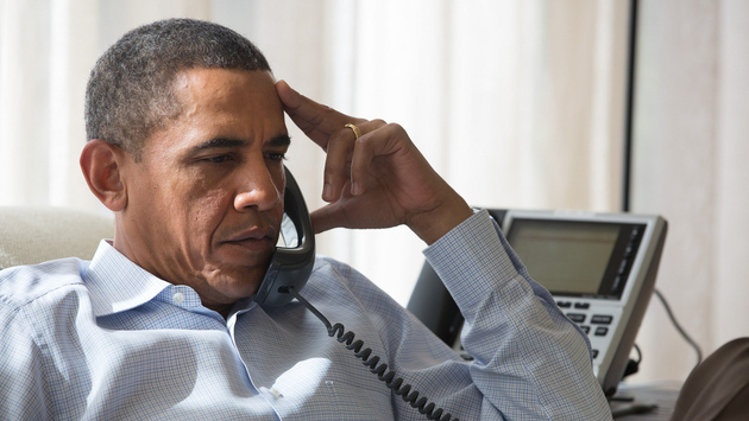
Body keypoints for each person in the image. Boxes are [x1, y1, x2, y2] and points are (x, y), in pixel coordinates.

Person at [0, 18, 611, 420]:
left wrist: (438, 215)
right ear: (110, 176)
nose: (265, 192)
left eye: (274, 156)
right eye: (217, 158)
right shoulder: (33, 330)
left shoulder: (343, 303)